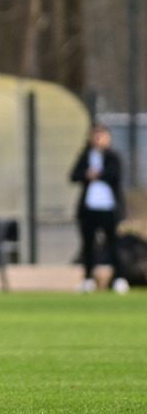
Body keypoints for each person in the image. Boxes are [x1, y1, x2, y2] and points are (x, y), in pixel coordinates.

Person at [69, 124, 129, 293]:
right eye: (94, 135)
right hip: (89, 209)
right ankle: (88, 278)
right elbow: (73, 175)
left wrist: (98, 174)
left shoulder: (112, 156)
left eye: (100, 135)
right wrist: (86, 174)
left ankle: (119, 278)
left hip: (108, 208)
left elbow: (115, 175)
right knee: (88, 245)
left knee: (112, 245)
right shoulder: (85, 156)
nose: (97, 139)